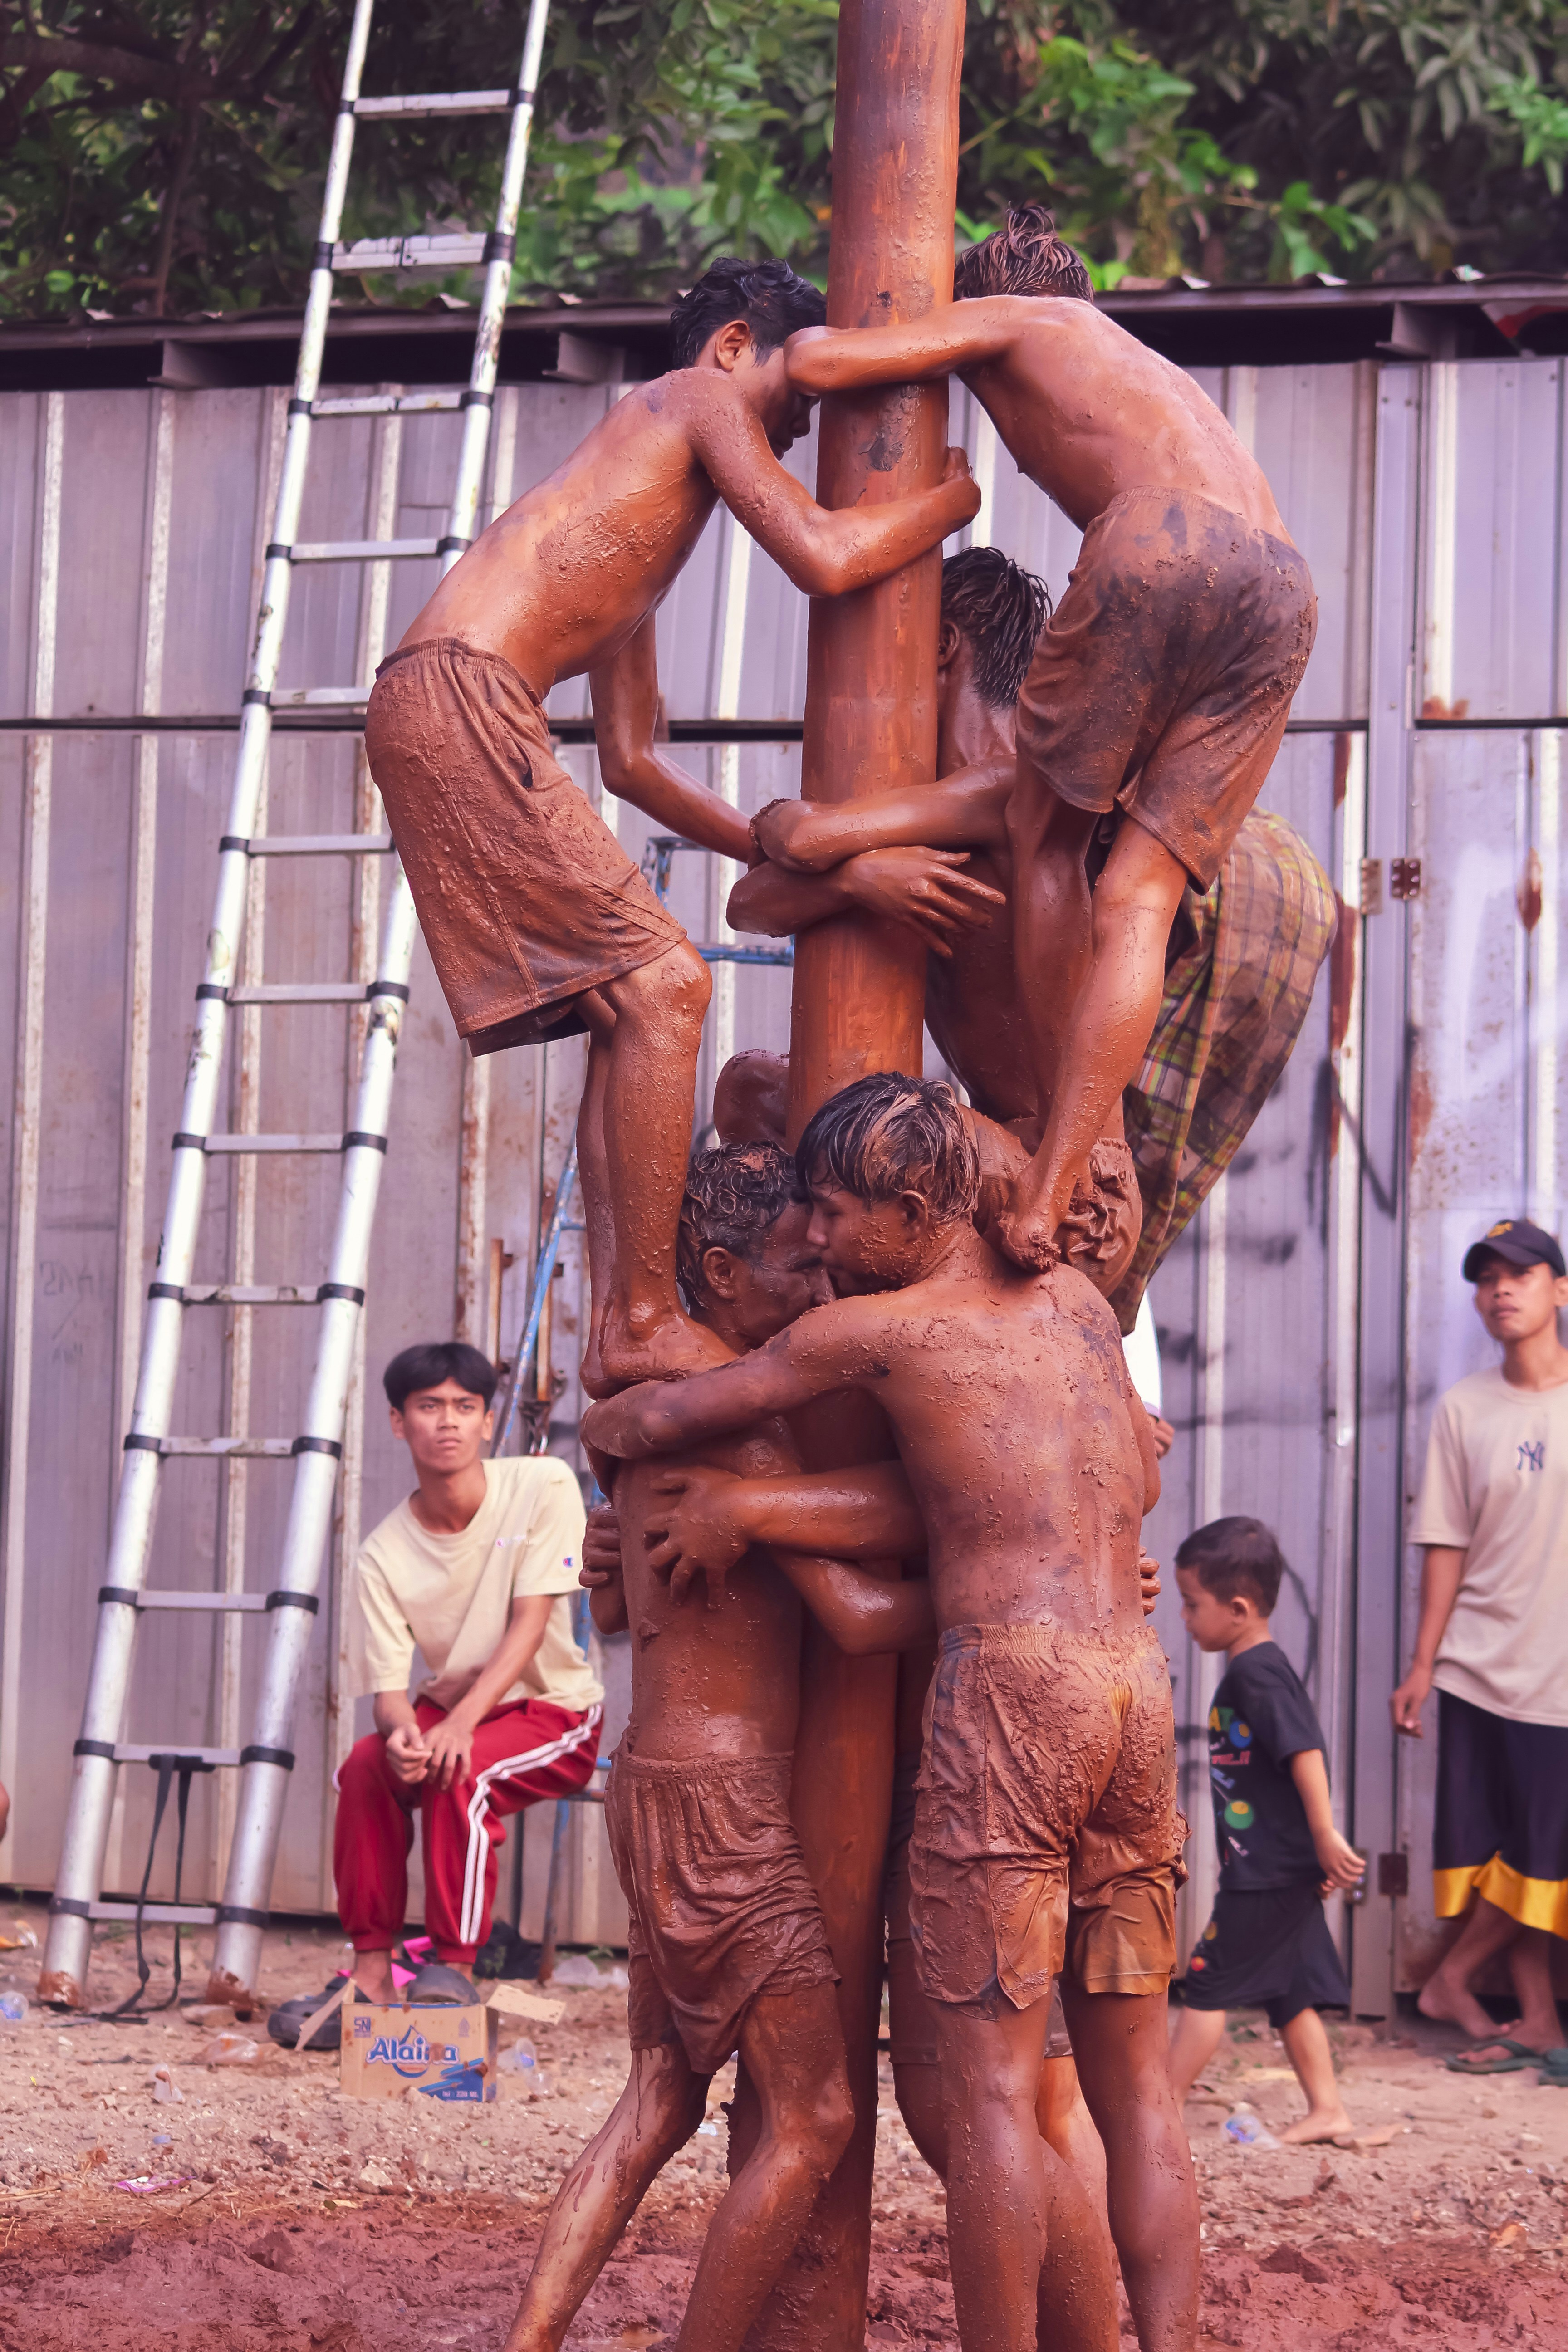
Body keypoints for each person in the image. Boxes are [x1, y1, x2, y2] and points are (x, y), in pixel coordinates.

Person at [585, 1074, 1198, 2352]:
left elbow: (655, 1413)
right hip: (1135, 1687)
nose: (812, 1240)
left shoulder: (876, 1336)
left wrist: (624, 1425)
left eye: (832, 1213)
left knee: (982, 2102)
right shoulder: (1082, 1306)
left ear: (913, 1210)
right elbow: (1135, 1465)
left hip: (1017, 1702)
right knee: (1136, 2097)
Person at [364, 256, 977, 1395]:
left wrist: (791, 849)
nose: (794, 437)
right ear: (737, 347)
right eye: (798, 405)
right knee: (670, 988)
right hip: (463, 696)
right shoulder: (690, 400)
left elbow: (637, 764)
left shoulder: (638, 525)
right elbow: (826, 555)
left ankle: (616, 1322)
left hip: (448, 700)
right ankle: (645, 1314)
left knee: (626, 1004)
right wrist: (948, 502)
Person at [779, 206, 1317, 1276]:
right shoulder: (1155, 376)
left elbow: (823, 356)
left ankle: (1053, 1161)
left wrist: (941, 480)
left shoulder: (1016, 322)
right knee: (1143, 902)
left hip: (1160, 540)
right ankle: (1086, 1163)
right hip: (1286, 590)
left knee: (1048, 840)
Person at [730, 545, 1334, 1332]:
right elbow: (751, 904)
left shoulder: (1019, 786)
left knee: (832, 1123)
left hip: (1062, 1188)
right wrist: (859, 882)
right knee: (750, 1091)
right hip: (992, 1154)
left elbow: (797, 847)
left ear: (942, 646)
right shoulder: (948, 804)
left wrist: (822, 851)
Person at [506, 1144, 855, 2352]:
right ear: (719, 1269)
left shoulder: (654, 1429)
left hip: (648, 1781)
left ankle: (532, 2339)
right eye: (799, 1270)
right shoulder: (748, 1434)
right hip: (722, 1803)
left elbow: (614, 1608)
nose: (822, 1293)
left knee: (659, 2094)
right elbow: (857, 1613)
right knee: (815, 2116)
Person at [268, 1342, 602, 2049]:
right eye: (428, 1407)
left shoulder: (542, 1485)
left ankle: (453, 1967)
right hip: (450, 1709)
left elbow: (531, 1624)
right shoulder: (382, 1554)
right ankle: (372, 1975)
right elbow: (388, 1694)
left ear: (486, 1423)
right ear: (398, 1423)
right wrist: (400, 1733)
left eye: (464, 1407)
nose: (447, 1422)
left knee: (461, 1765)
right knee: (365, 1766)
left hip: (553, 1710)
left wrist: (458, 1726)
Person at [1392, 1219, 1568, 2072]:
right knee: (1509, 1846)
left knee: (1546, 1847)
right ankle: (1536, 2017)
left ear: (1559, 1290)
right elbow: (1445, 1542)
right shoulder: (1465, 1408)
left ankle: (1453, 1977)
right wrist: (1424, 1664)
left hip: (1560, 1672)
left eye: (1521, 1274)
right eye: (1487, 1277)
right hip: (1480, 1665)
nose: (1501, 1289)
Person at [1166, 1517, 1365, 2142]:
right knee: (1292, 1991)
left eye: (1192, 1605)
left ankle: (1160, 2110)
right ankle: (1328, 2109)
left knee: (1206, 1982)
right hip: (1279, 1864)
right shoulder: (1255, 1669)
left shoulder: (1257, 1674)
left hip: (1266, 1873)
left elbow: (1304, 1752)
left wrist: (1326, 1836)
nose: (1185, 1617)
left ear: (1240, 1608)